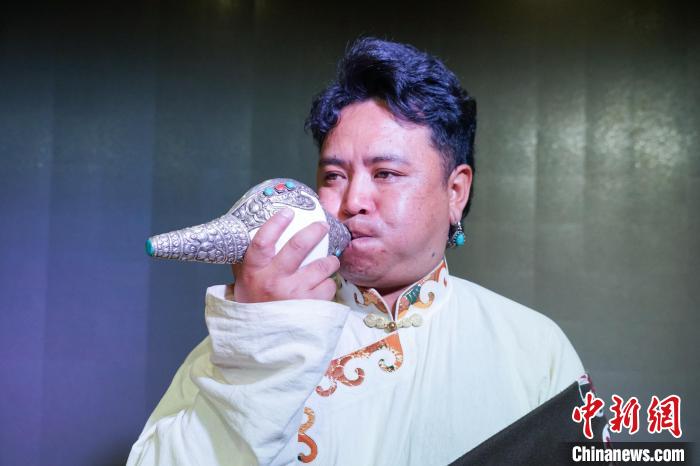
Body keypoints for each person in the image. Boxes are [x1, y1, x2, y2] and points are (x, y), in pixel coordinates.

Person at [127, 37, 587, 466]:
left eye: (385, 173)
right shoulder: (257, 334)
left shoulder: (533, 348)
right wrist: (262, 339)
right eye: (334, 176)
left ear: (455, 192)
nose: (352, 201)